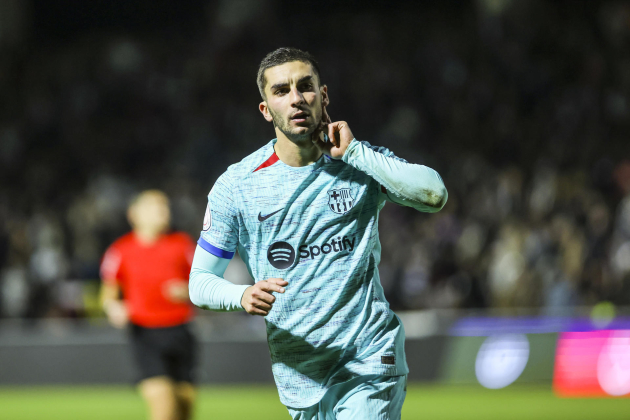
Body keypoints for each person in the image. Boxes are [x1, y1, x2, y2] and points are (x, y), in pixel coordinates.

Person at [189, 47, 448, 419]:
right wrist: (241, 294)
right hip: (300, 374)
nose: (295, 98)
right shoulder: (237, 186)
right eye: (280, 91)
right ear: (266, 110)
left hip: (370, 359)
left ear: (322, 96)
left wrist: (355, 152)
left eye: (304, 86)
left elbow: (434, 194)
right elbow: (199, 282)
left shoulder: (359, 161)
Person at [100, 190, 197, 420]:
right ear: (134, 214)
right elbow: (108, 292)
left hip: (181, 330)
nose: (163, 212)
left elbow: (204, 284)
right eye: (156, 207)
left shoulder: (182, 244)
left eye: (165, 207)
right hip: (145, 333)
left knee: (184, 405)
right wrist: (113, 307)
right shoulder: (121, 250)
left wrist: (188, 291)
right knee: (163, 404)